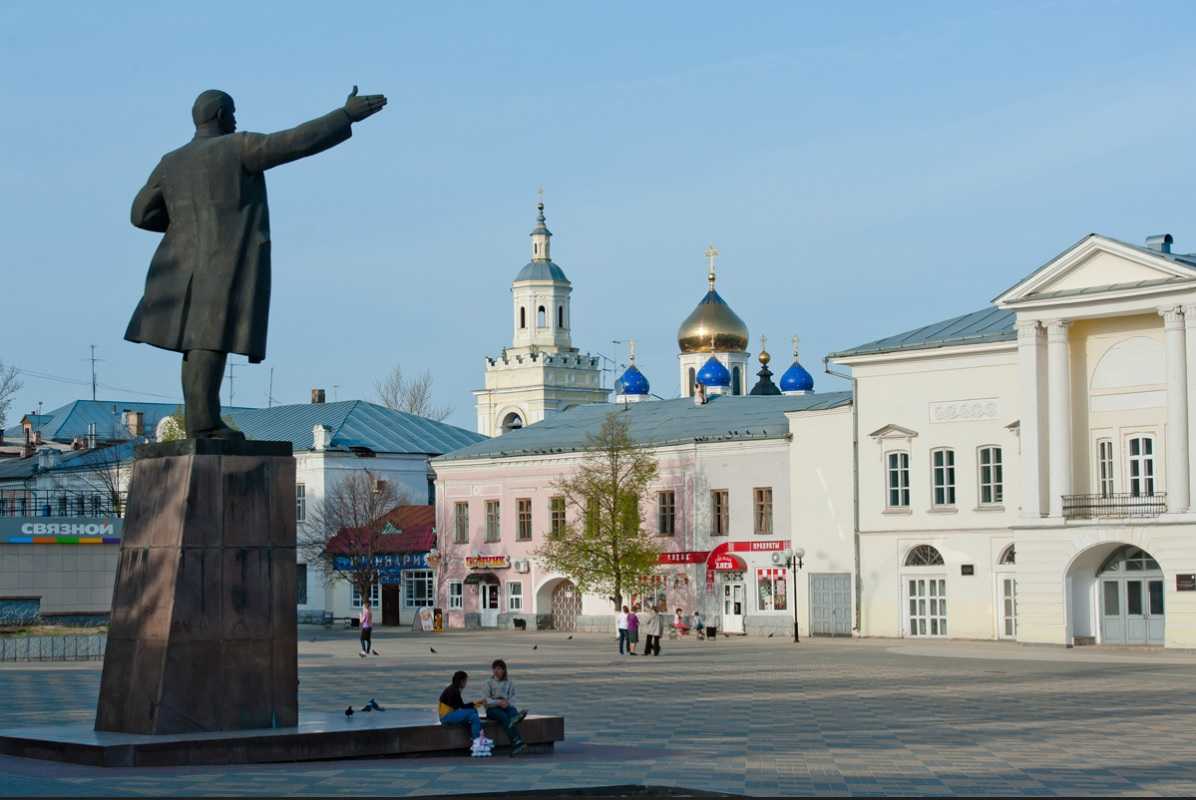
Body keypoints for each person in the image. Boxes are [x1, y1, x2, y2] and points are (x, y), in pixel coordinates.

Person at [484, 659, 529, 756]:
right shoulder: (489, 682)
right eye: (494, 669)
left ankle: (516, 721)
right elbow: (486, 700)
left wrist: (507, 703)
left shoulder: (509, 682)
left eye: (499, 669)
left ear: (504, 670)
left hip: (506, 705)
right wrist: (499, 702)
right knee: (504, 717)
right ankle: (517, 741)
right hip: (493, 709)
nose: (496, 671)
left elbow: (513, 697)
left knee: (512, 711)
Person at [438, 670, 484, 744]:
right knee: (473, 714)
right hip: (446, 718)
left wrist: (475, 704)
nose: (466, 683)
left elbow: (460, 706)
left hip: (449, 715)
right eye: (465, 681)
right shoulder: (453, 690)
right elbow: (461, 707)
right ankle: (477, 741)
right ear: (461, 681)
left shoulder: (454, 688)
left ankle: (478, 737)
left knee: (473, 712)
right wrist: (476, 704)